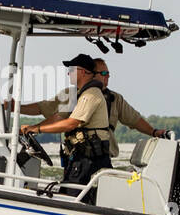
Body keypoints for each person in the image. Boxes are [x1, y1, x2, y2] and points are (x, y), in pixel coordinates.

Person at [9, 57, 166, 159]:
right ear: (92, 74)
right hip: (76, 154)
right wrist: (16, 108)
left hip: (97, 156)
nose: (107, 77)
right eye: (103, 73)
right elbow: (48, 111)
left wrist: (154, 132)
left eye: (108, 73)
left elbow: (134, 119)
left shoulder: (110, 98)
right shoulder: (71, 95)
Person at [20, 54, 112, 199]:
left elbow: (71, 123)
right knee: (65, 193)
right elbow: (58, 117)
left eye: (71, 70)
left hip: (89, 162)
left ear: (82, 72)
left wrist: (37, 129)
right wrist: (32, 127)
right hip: (79, 160)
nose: (69, 73)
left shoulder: (91, 94)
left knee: (72, 198)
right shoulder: (79, 95)